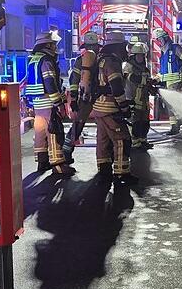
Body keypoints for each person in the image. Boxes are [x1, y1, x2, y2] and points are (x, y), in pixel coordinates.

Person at [91, 31, 138, 186]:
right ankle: (121, 173)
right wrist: (124, 107)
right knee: (122, 140)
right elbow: (116, 87)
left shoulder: (100, 60)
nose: (125, 50)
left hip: (99, 107)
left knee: (103, 140)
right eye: (124, 47)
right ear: (118, 47)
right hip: (110, 107)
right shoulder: (112, 62)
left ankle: (104, 170)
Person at [24, 30, 72, 175]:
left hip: (37, 102)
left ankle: (42, 162)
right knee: (54, 132)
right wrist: (58, 103)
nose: (55, 46)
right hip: (48, 101)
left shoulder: (33, 58)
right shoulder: (46, 60)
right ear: (48, 45)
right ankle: (58, 165)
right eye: (54, 44)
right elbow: (50, 82)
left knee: (40, 132)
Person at [65, 31, 100, 160]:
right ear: (97, 45)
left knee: (78, 124)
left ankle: (66, 151)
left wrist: (73, 99)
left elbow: (73, 80)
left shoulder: (80, 60)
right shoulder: (101, 59)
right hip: (101, 97)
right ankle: (107, 155)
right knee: (105, 123)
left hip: (85, 96)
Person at [153, 29, 182, 135]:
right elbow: (164, 70)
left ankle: (176, 124)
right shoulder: (163, 53)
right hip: (168, 81)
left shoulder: (175, 48)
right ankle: (178, 122)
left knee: (171, 104)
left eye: (159, 40)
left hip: (176, 80)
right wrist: (157, 78)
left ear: (164, 38)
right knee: (171, 104)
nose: (159, 43)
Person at [123, 41, 157, 151]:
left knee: (145, 122)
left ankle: (143, 141)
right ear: (134, 55)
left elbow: (147, 82)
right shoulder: (128, 66)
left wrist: (152, 87)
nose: (141, 57)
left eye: (143, 55)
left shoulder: (145, 69)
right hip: (132, 98)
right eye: (139, 55)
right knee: (135, 122)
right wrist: (145, 81)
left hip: (144, 99)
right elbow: (130, 77)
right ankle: (135, 143)